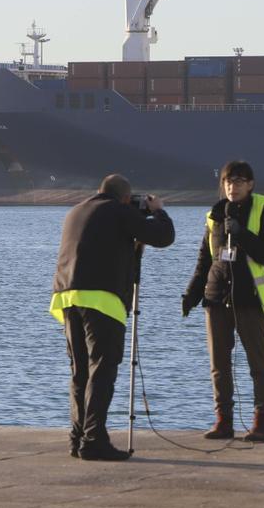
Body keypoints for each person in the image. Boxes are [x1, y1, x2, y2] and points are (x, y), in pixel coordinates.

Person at [50, 174, 175, 461]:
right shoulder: (119, 211)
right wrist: (158, 211)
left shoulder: (76, 210)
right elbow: (163, 237)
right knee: (102, 370)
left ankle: (78, 437)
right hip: (102, 299)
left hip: (67, 296)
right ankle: (94, 441)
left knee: (80, 371)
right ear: (124, 197)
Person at [182, 161, 264, 442]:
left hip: (249, 297)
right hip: (216, 297)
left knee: (257, 363)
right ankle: (223, 421)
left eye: (238, 181)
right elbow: (205, 259)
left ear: (250, 184)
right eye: (227, 181)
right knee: (219, 364)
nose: (231, 186)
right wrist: (192, 293)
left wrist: (241, 233)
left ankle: (261, 422)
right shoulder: (214, 214)